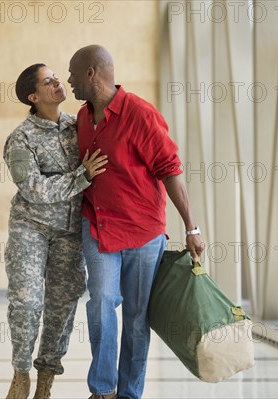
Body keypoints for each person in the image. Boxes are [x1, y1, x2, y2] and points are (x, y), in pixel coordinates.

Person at [67, 45, 205, 399]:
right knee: (100, 301)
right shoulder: (82, 118)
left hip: (143, 234)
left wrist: (191, 227)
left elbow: (171, 170)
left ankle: (129, 394)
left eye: (72, 74)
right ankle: (103, 390)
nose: (69, 81)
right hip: (97, 226)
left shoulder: (141, 114)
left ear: (91, 73)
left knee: (137, 317)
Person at [3, 63, 108, 399]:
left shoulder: (77, 127)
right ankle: (21, 373)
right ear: (34, 96)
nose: (57, 82)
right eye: (48, 81)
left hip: (69, 231)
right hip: (30, 227)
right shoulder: (20, 139)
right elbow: (34, 190)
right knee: (28, 302)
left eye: (56, 77)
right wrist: (81, 177)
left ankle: (45, 381)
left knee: (62, 306)